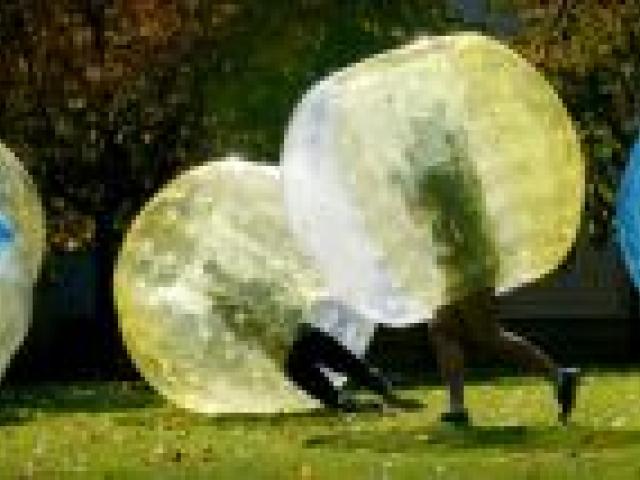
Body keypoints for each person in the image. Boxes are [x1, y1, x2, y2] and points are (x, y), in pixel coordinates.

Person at [284, 297, 422, 412]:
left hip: (299, 340)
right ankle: (349, 402)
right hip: (292, 349)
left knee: (316, 347)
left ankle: (384, 397)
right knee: (305, 356)